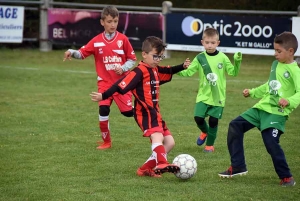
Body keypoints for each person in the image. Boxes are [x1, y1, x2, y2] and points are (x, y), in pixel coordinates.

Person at [90, 36, 191, 177]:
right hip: (144, 112)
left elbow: (168, 71)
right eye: (155, 56)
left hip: (155, 112)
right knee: (157, 136)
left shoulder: (155, 69)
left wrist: (182, 66)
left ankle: (144, 169)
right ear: (144, 54)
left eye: (160, 57)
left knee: (170, 142)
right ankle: (162, 162)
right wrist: (103, 95)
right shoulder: (138, 72)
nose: (158, 60)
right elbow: (120, 85)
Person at [218, 32, 300, 187]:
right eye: (274, 50)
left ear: (290, 51)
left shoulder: (295, 71)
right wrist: (253, 92)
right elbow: (270, 85)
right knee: (235, 125)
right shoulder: (275, 64)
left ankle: (287, 177)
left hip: (276, 112)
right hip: (260, 109)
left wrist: (288, 101)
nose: (275, 54)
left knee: (270, 142)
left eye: (278, 51)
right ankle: (238, 166)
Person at [63, 6, 137, 150]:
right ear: (102, 22)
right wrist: (71, 52)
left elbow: (132, 59)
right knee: (103, 110)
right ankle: (107, 142)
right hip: (104, 84)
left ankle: (145, 110)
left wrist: (123, 68)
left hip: (122, 83)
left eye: (115, 21)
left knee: (127, 113)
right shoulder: (96, 41)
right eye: (109, 21)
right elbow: (82, 53)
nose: (113, 24)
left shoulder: (123, 39)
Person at [177, 27, 242, 152]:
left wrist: (237, 61)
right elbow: (189, 72)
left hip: (218, 97)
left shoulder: (222, 57)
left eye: (213, 43)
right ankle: (205, 132)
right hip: (203, 95)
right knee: (198, 118)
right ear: (202, 43)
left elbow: (233, 72)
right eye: (207, 43)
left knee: (213, 121)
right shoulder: (200, 58)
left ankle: (210, 145)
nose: (210, 45)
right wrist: (176, 70)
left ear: (218, 43)